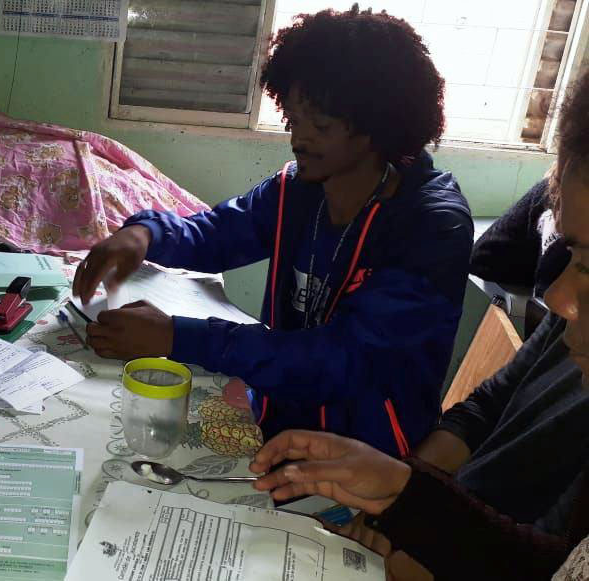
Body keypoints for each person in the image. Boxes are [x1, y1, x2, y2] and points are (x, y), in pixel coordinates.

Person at [74, 6, 473, 457]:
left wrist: (178, 336)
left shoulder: (431, 227)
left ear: (375, 126)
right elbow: (219, 233)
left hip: (367, 454)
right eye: (295, 120)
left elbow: (343, 363)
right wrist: (144, 234)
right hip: (281, 420)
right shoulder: (299, 189)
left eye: (321, 126)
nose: (299, 140)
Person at [249, 68, 589, 581]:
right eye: (572, 254)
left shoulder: (430, 222)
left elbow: (549, 564)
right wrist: (404, 491)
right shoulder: (568, 330)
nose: (556, 296)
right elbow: (482, 410)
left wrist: (416, 537)